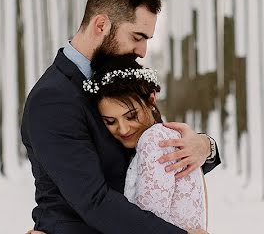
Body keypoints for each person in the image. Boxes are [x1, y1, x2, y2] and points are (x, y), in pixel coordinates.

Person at [20, 0, 219, 234]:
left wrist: (204, 146)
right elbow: (94, 201)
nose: (142, 51)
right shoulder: (53, 99)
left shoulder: (120, 81)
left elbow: (153, 159)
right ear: (101, 25)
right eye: (137, 37)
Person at [84, 53, 207, 231]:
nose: (123, 129)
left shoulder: (154, 140)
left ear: (151, 99)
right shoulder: (167, 136)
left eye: (131, 116)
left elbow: (146, 226)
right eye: (110, 121)